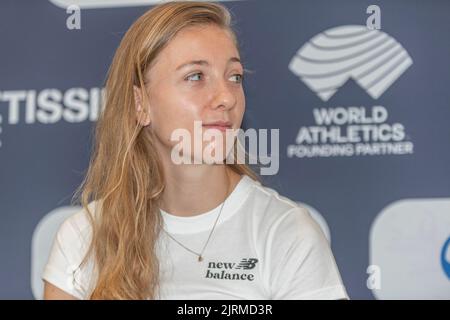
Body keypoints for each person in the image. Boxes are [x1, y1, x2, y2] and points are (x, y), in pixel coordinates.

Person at [42, 1, 349, 300]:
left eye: (235, 77)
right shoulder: (84, 238)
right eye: (195, 77)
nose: (226, 97)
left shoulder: (284, 233)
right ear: (141, 104)